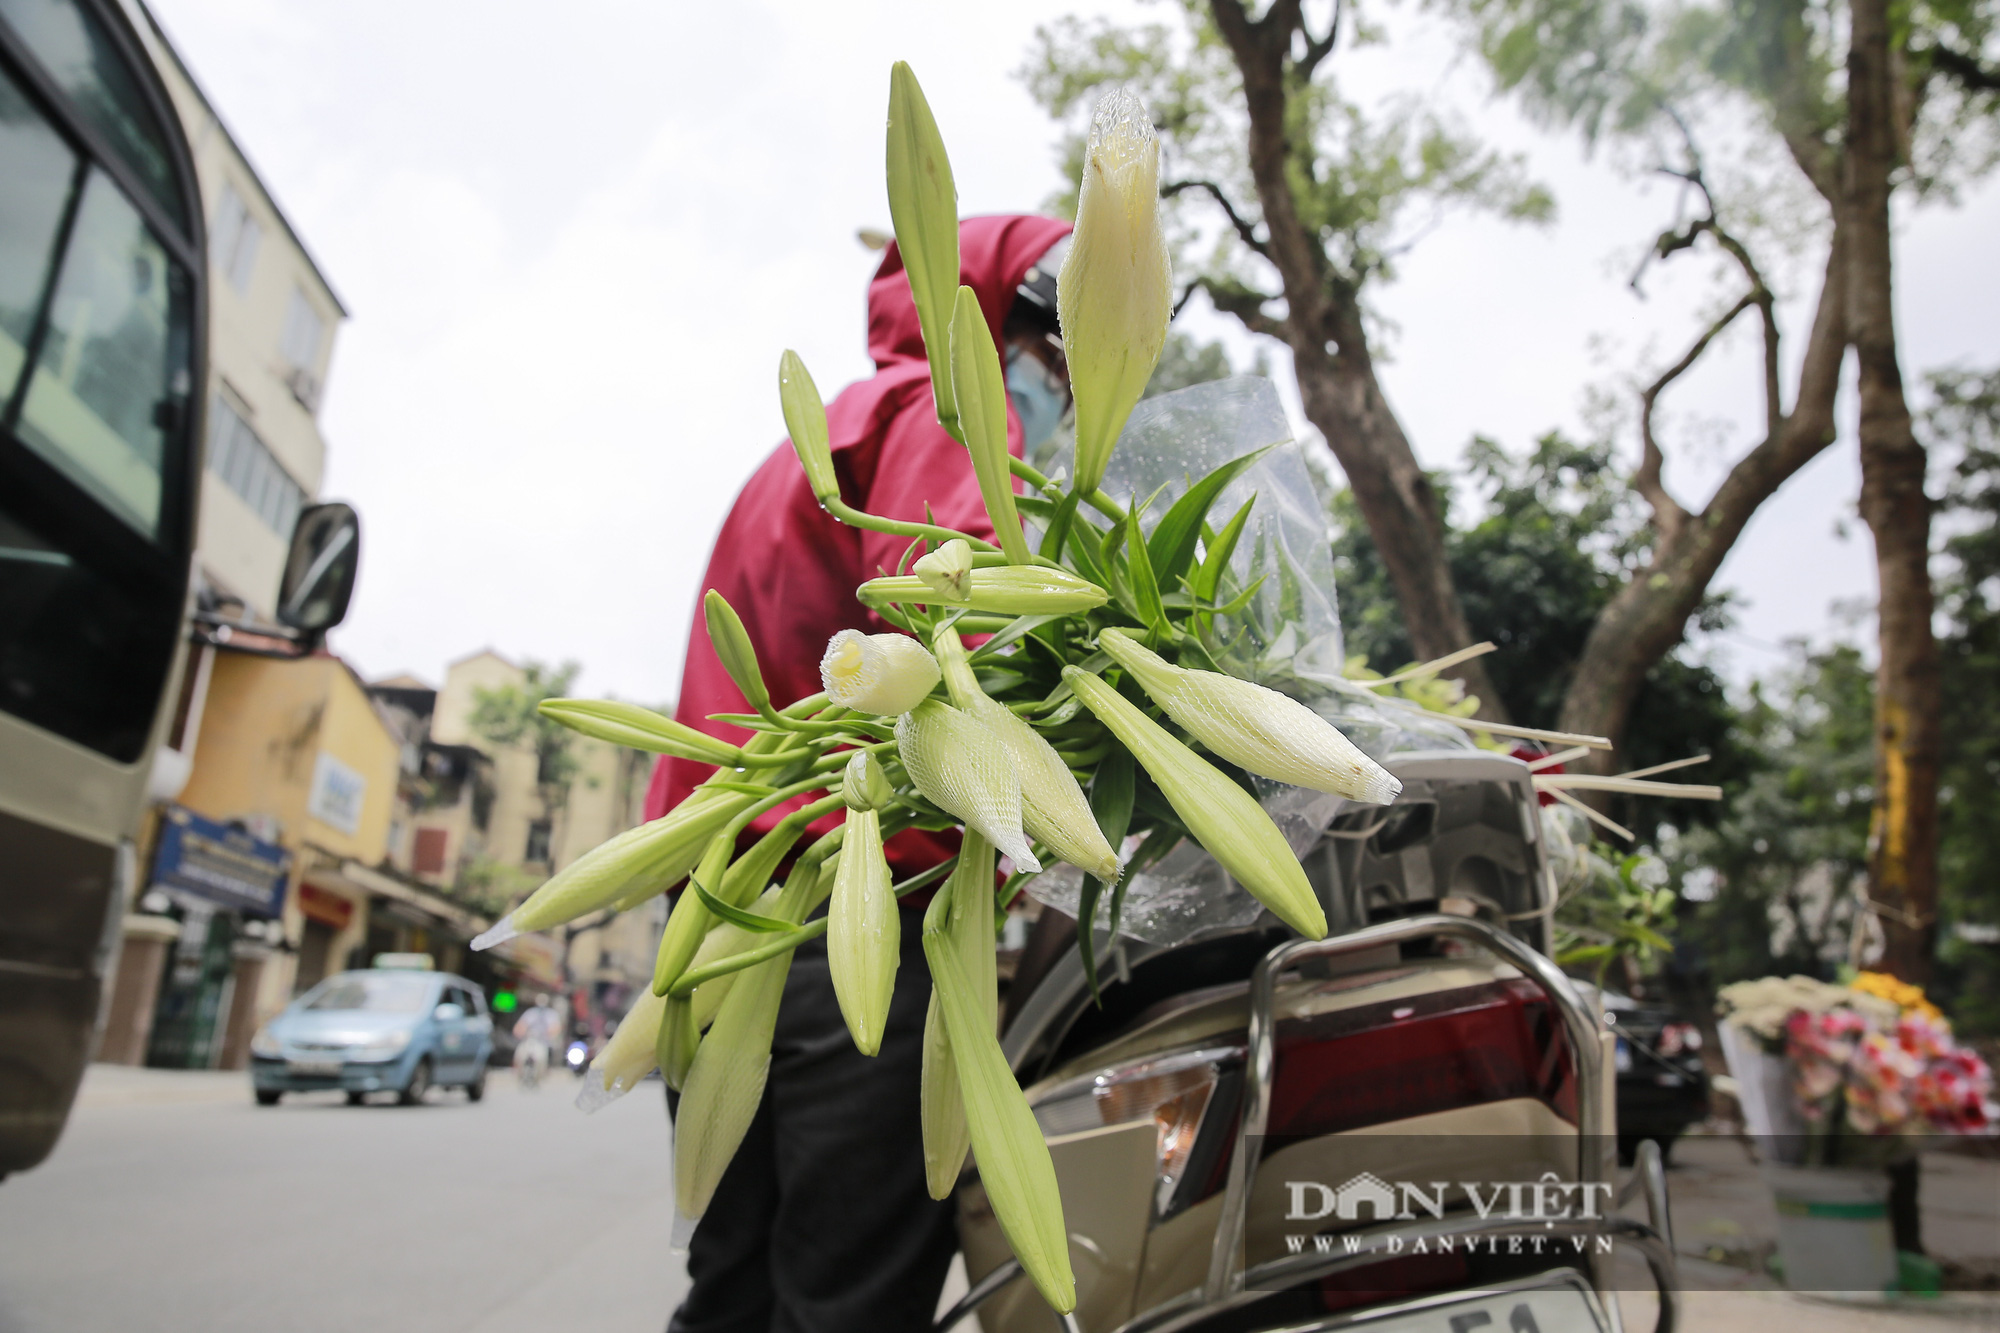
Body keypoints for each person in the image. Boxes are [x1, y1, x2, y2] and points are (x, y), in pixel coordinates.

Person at [650, 214, 1074, 1333]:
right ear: (1007, 340)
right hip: (850, 907)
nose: (1062, 403)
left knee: (729, 1283)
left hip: (716, 901)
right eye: (1058, 370)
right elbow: (956, 630)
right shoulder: (945, 420)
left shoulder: (809, 442)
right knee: (844, 1301)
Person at [512, 992, 563, 1090]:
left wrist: (550, 1034)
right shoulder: (530, 1013)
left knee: (545, 1055)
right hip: (529, 1040)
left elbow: (556, 1027)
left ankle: (545, 1071)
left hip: (543, 1042)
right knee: (519, 1053)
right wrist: (519, 1032)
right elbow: (521, 1025)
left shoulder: (551, 1014)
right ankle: (517, 1071)